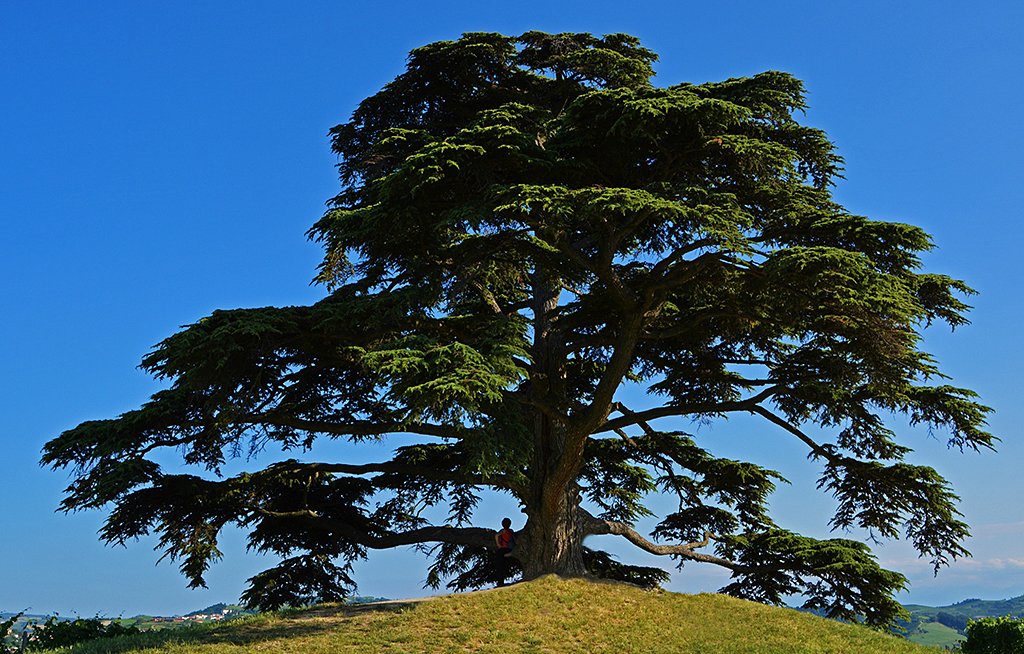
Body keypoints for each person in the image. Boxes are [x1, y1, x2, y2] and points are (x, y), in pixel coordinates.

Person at [494, 517, 516, 586]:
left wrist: (499, 545)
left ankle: (500, 582)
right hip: (509, 549)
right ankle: (501, 582)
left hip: (502, 550)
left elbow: (496, 536)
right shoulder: (511, 531)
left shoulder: (502, 531)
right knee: (504, 566)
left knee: (500, 566)